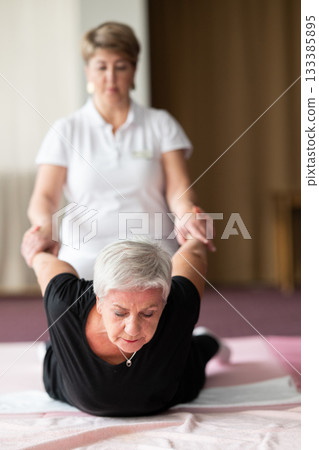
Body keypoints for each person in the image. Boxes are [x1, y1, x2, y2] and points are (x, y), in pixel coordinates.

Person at [24, 21, 215, 279]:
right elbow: (44, 197)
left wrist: (186, 214)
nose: (110, 78)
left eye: (121, 67)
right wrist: (44, 225)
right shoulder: (66, 129)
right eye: (101, 67)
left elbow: (179, 189)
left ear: (134, 70)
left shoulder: (161, 123)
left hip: (152, 255)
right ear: (88, 71)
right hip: (85, 259)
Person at [21, 231, 226, 417]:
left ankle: (204, 339)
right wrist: (37, 249)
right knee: (52, 354)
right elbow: (45, 263)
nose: (132, 329)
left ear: (164, 301)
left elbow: (195, 254)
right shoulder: (65, 303)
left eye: (148, 313)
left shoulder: (180, 303)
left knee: (201, 349)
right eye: (120, 313)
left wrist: (196, 234)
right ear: (99, 302)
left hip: (175, 381)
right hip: (66, 378)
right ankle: (51, 349)